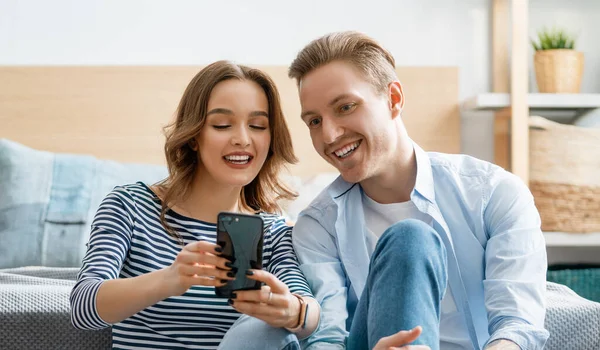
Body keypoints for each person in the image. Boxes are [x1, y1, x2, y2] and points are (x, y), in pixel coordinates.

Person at [288, 31, 549, 350]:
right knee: (409, 240)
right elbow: (326, 339)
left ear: (393, 99)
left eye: (345, 107)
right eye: (314, 121)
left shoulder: (492, 193)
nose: (328, 135)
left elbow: (519, 325)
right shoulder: (316, 226)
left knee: (410, 239)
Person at [70, 61, 321, 350]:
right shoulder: (130, 206)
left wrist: (294, 311)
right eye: (222, 125)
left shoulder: (274, 230)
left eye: (257, 126)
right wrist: (171, 279)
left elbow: (311, 313)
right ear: (193, 137)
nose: (242, 139)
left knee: (267, 331)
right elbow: (83, 307)